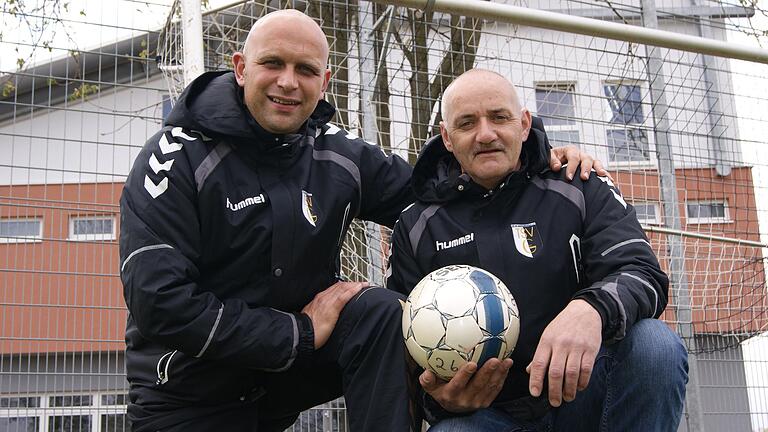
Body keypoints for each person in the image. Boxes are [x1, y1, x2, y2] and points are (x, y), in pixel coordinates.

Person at [119, 10, 607, 432]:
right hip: (189, 391)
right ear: (242, 69)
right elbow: (160, 303)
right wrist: (298, 333)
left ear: (324, 81)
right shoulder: (174, 158)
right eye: (273, 64)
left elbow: (437, 194)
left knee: (380, 311)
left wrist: (532, 155)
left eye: (306, 70)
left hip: (282, 380)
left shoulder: (337, 154)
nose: (288, 82)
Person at [385, 68, 688, 432]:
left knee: (655, 346)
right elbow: (404, 343)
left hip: (582, 394)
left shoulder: (580, 185)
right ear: (447, 138)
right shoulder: (416, 225)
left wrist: (590, 310)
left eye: (500, 117)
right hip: (488, 416)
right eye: (467, 123)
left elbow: (643, 272)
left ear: (524, 124)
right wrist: (440, 398)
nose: (486, 134)